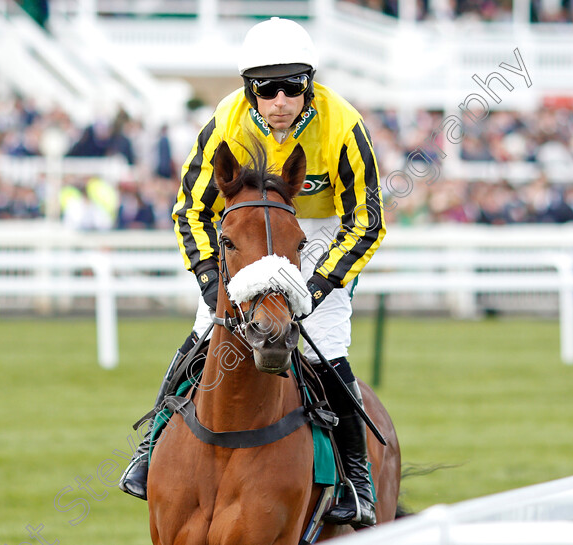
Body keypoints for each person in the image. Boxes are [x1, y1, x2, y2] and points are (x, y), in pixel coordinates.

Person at [119, 17, 386, 528]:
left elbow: (366, 223)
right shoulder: (224, 122)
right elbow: (189, 212)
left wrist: (313, 288)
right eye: (268, 88)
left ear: (309, 85)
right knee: (203, 335)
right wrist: (210, 281)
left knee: (324, 346)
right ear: (250, 90)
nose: (280, 99)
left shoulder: (344, 125)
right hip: (244, 231)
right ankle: (150, 447)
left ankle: (357, 477)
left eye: (293, 86)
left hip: (319, 235)